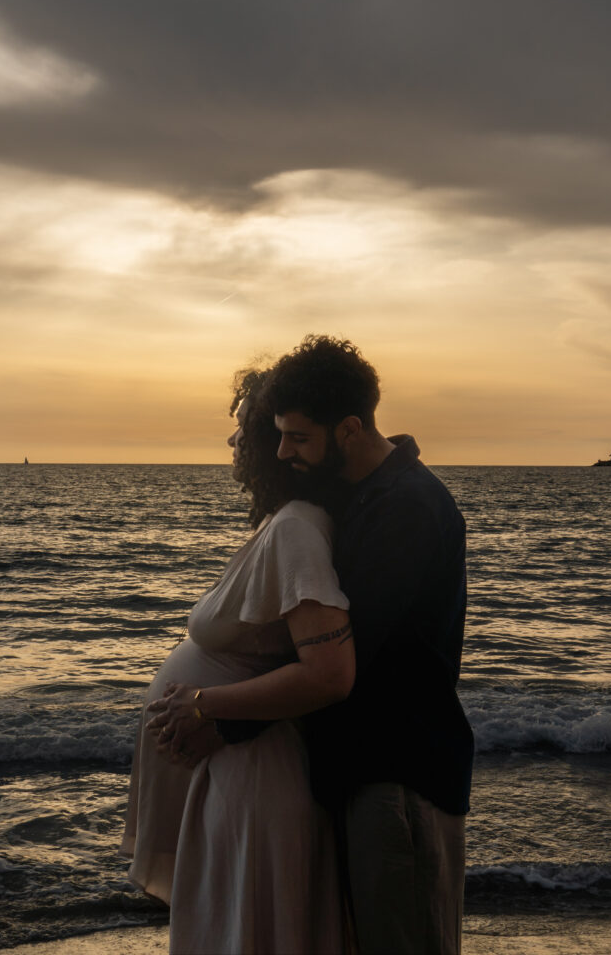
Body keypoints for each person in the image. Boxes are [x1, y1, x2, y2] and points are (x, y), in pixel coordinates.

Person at [165, 337, 474, 954]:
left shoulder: (405, 511)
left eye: (299, 438)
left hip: (398, 778)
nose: (284, 451)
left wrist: (219, 716)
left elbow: (339, 665)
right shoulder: (363, 493)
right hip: (365, 773)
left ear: (351, 429)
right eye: (279, 435)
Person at [120, 368, 354, 955]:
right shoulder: (286, 523)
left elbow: (327, 672)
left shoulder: (298, 528)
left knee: (245, 936)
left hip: (256, 777)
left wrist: (202, 704)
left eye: (241, 434)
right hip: (237, 768)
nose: (235, 449)